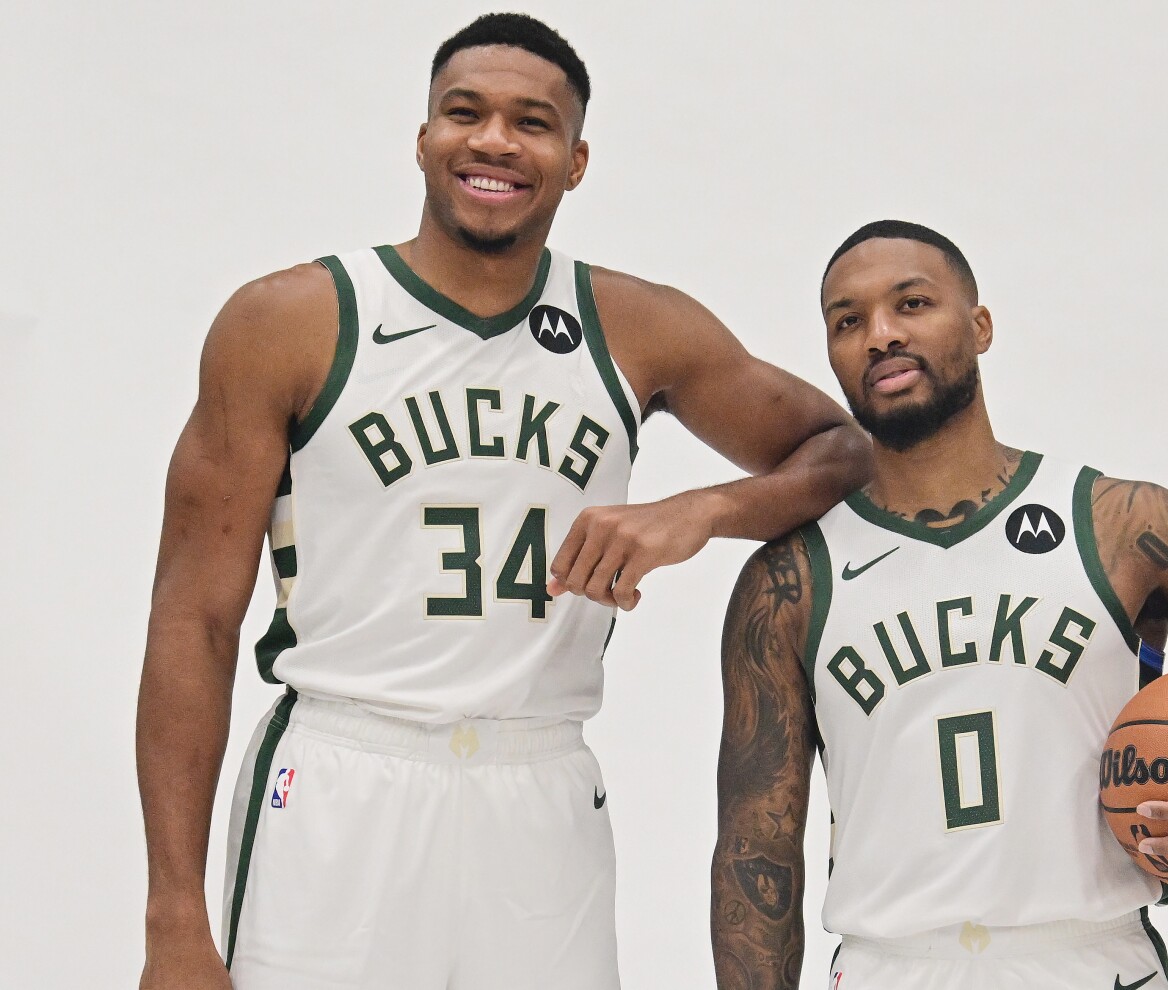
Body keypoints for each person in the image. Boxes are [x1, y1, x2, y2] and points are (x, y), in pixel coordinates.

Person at [136, 13, 871, 990]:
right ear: (422, 139)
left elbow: (844, 450)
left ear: (575, 162)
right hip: (339, 778)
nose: (494, 141)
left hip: (541, 789)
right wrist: (173, 919)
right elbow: (193, 620)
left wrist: (697, 511)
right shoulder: (291, 321)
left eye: (532, 123)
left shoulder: (632, 324)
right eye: (464, 113)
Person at [710, 220, 1168, 989]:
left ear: (980, 327)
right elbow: (756, 855)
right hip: (892, 968)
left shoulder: (1121, 526)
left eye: (911, 303)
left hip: (1096, 961)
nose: (881, 335)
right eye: (848, 321)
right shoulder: (790, 582)